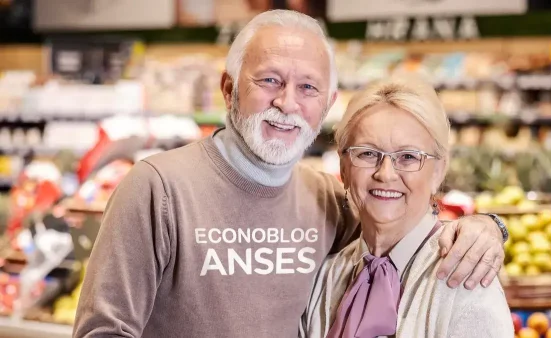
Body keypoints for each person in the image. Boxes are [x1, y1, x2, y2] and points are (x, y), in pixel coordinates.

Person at [73, 10, 507, 338]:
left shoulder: (327, 202)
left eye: (308, 87)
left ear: (327, 101)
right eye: (269, 80)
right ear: (229, 89)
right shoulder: (158, 189)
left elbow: (400, 221)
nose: (287, 102)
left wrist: (489, 227)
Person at [300, 78, 513, 338]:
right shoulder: (325, 277)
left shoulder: (466, 278)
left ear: (438, 171)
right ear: (343, 166)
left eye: (409, 157)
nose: (385, 174)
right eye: (367, 153)